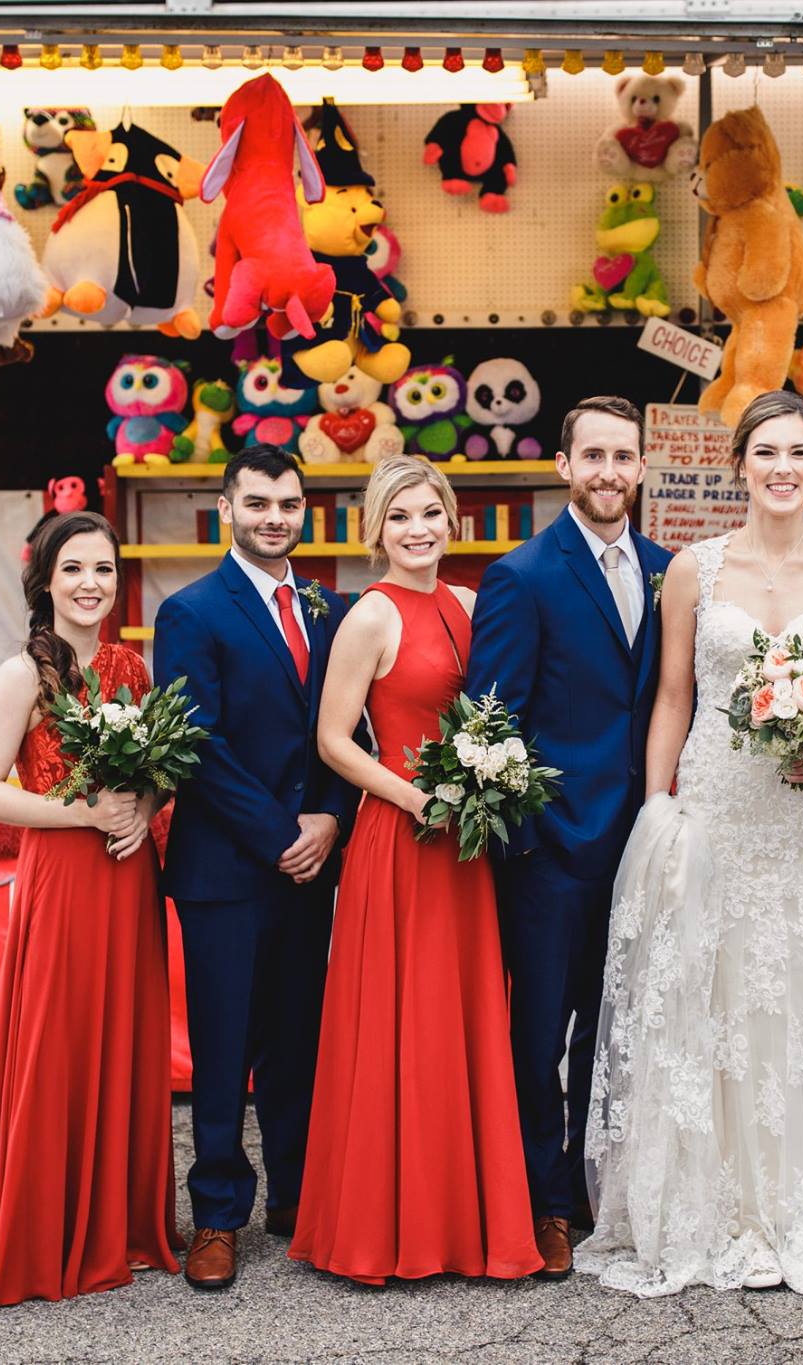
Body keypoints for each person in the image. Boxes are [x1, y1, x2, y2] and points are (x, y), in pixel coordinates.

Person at [576, 390, 803, 1298]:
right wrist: (658, 808)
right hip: (718, 806)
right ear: (739, 466)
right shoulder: (695, 568)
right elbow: (673, 696)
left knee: (800, 1006)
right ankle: (704, 1208)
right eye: (766, 453)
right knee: (707, 1003)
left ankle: (789, 1210)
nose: (782, 468)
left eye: (798, 453)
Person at [289, 455, 542, 1284]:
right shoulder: (369, 615)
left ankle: (464, 1219)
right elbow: (333, 739)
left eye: (430, 512)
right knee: (403, 1023)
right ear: (376, 528)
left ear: (452, 519)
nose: (418, 529)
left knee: (460, 1021)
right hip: (401, 840)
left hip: (466, 845)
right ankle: (386, 1225)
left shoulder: (469, 604)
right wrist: (414, 799)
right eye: (399, 516)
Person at [0, 510, 178, 1308]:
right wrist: (84, 813)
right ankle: (47, 1229)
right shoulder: (23, 675)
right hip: (65, 877)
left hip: (127, 875)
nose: (89, 583)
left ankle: (117, 1223)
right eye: (73, 568)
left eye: (103, 568)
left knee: (123, 1034)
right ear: (44, 581)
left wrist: (142, 806)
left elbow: (158, 770)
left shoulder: (130, 667)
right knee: (57, 1037)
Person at [462, 396, 674, 1278]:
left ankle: (591, 1179)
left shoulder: (668, 569)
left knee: (613, 1024)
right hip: (550, 851)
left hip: (642, 842)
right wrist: (531, 837)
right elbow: (492, 718)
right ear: (564, 466)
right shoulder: (522, 575)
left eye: (623, 457)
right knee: (540, 1028)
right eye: (593, 456)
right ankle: (541, 1196)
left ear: (641, 467)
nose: (609, 472)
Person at [156, 446, 359, 1291]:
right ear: (227, 508)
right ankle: (216, 1213)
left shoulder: (328, 607)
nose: (275, 517)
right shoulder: (190, 611)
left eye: (289, 503)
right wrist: (283, 834)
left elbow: (349, 728)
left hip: (310, 863)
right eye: (259, 503)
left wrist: (331, 820)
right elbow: (199, 743)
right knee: (224, 1044)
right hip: (228, 868)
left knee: (297, 1041)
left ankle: (295, 1195)